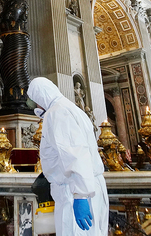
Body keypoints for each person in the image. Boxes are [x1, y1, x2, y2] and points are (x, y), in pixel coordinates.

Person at [27, 77, 109, 235]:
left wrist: (80, 196)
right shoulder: (69, 108)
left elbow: (75, 154)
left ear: (41, 96)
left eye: (35, 100)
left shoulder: (57, 113)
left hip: (75, 191)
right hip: (84, 187)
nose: (36, 106)